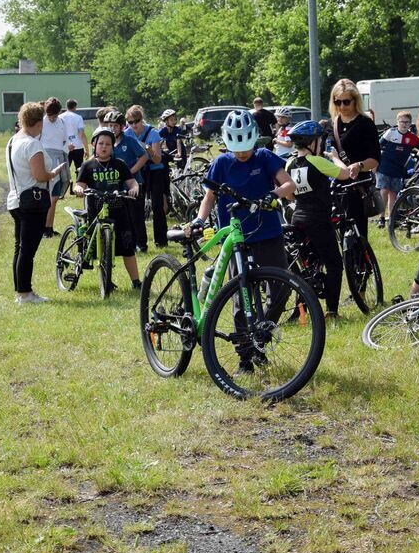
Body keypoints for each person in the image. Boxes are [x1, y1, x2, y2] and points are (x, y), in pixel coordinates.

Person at [186, 111, 296, 369]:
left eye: (246, 147)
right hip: (237, 239)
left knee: (281, 290)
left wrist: (274, 194)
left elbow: (289, 185)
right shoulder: (222, 163)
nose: (243, 154)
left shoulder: (265, 157)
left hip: (268, 233)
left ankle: (262, 335)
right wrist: (200, 220)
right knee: (241, 298)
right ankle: (245, 357)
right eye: (237, 148)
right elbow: (209, 197)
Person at [284, 120, 351, 318]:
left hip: (298, 217)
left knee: (310, 265)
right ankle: (332, 310)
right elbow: (345, 174)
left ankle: (305, 309)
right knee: (334, 264)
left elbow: (289, 196)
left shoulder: (289, 163)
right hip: (319, 219)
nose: (321, 144)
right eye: (320, 141)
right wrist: (335, 157)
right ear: (312, 143)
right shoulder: (318, 161)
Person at [6, 102, 66, 304]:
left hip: (16, 200)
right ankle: (25, 293)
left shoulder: (13, 140)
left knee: (20, 247)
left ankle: (20, 291)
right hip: (31, 201)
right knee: (27, 250)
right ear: (39, 122)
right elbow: (40, 175)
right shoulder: (32, 144)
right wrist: (54, 173)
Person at [74, 129, 142, 290]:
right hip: (96, 210)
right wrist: (78, 189)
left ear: (113, 147)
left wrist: (134, 188)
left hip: (119, 210)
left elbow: (132, 182)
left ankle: (136, 281)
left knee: (127, 247)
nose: (104, 147)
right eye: (101, 144)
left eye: (108, 144)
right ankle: (105, 278)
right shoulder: (88, 166)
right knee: (97, 245)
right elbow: (80, 184)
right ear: (94, 145)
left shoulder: (119, 164)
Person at [325, 78, 380, 237]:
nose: (342, 106)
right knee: (340, 236)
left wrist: (359, 165)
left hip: (357, 186)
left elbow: (375, 159)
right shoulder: (331, 124)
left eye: (346, 102)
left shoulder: (365, 124)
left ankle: (362, 261)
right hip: (335, 187)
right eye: (338, 102)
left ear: (355, 101)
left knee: (359, 235)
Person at [105, 110, 150, 253]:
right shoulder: (107, 143)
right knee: (120, 216)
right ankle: (125, 243)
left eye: (115, 126)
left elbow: (144, 157)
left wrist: (130, 172)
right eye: (110, 125)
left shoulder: (129, 141)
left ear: (122, 127)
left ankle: (141, 244)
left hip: (133, 184)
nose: (112, 129)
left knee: (135, 216)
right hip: (116, 186)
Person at [376, 110, 419, 225]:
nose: (404, 124)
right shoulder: (390, 133)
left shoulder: (412, 137)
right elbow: (377, 146)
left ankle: (391, 219)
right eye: (402, 122)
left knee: (393, 194)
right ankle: (381, 218)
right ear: (398, 122)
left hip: (398, 169)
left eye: (407, 122)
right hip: (385, 166)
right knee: (384, 191)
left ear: (410, 123)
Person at [125, 105, 168, 249]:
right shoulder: (128, 133)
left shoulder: (153, 133)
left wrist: (149, 150)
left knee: (157, 205)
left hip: (155, 171)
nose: (134, 125)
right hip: (139, 171)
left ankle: (161, 240)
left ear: (141, 119)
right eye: (130, 122)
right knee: (138, 207)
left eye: (136, 121)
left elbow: (158, 160)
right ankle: (139, 241)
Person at [41, 97, 70, 238]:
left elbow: (64, 140)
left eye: (55, 115)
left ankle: (49, 227)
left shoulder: (62, 122)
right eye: (50, 115)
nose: (52, 118)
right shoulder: (41, 122)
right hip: (46, 159)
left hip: (59, 158)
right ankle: (45, 228)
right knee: (49, 197)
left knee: (55, 196)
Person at [59, 99, 88, 176]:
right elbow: (81, 134)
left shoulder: (60, 117)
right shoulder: (78, 117)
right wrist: (86, 149)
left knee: (64, 170)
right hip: (77, 146)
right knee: (79, 170)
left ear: (66, 106)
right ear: (75, 107)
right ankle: (78, 186)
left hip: (65, 147)